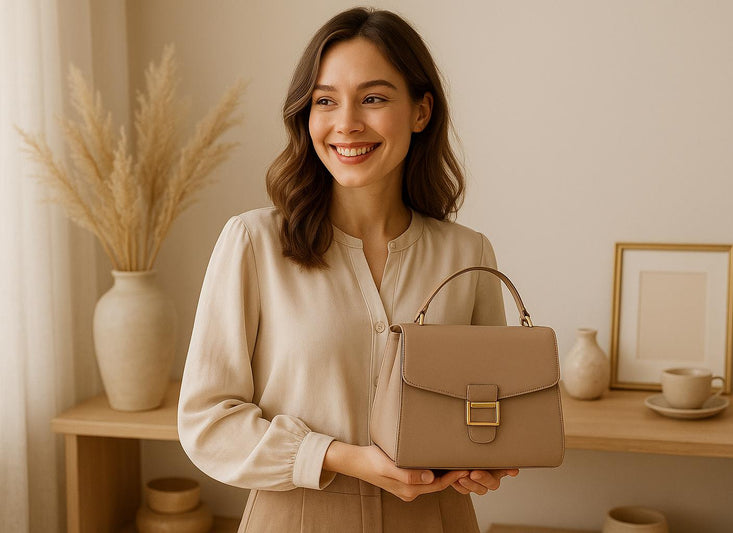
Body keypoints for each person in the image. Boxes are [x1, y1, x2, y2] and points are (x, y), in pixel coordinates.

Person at [178, 7, 518, 533]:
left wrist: (482, 460)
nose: (347, 123)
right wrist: (338, 456)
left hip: (435, 519)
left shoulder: (468, 254)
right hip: (296, 517)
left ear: (421, 111)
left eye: (373, 98)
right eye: (325, 101)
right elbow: (207, 423)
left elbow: (487, 409)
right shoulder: (254, 242)